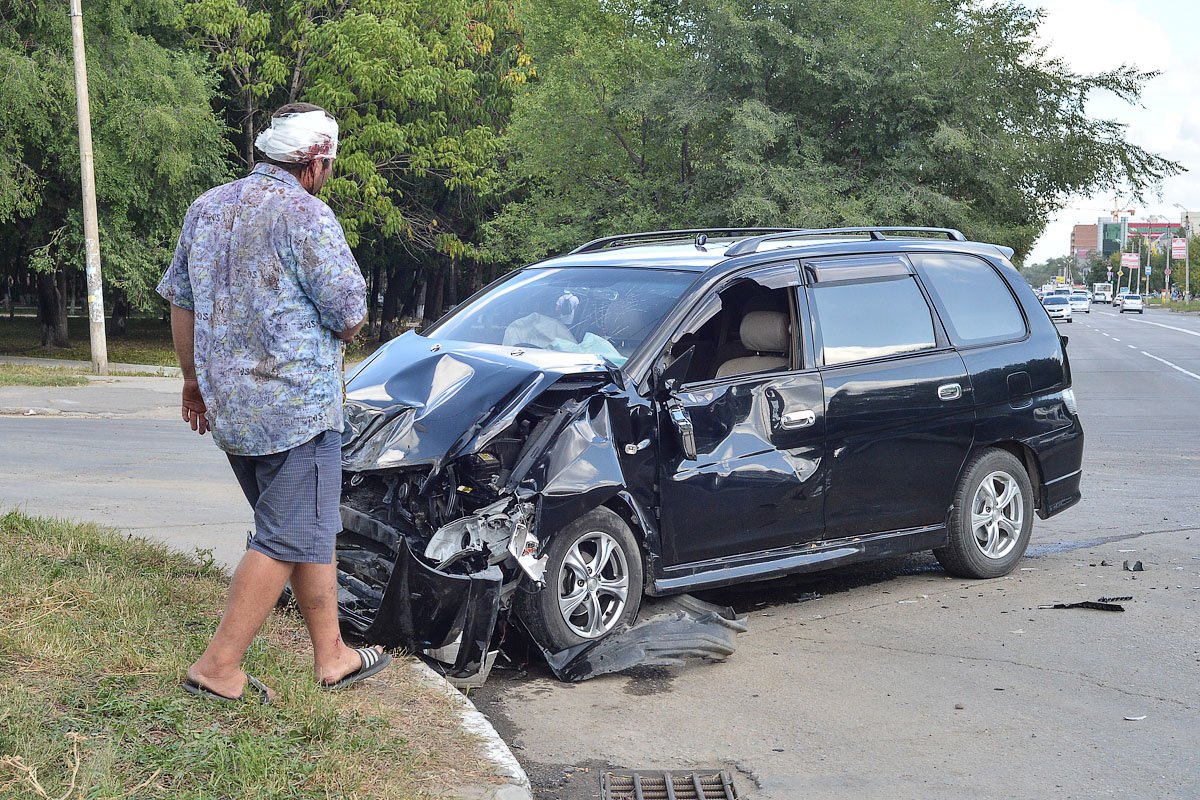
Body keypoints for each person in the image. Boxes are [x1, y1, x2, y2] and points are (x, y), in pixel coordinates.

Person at [158, 103, 391, 703]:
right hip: (296, 413)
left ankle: (332, 655)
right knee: (285, 537)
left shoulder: (207, 207)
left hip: (231, 409)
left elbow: (181, 301)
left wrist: (191, 381)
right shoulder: (306, 214)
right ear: (313, 163)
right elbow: (349, 315)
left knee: (309, 528)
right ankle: (218, 667)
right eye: (329, 165)